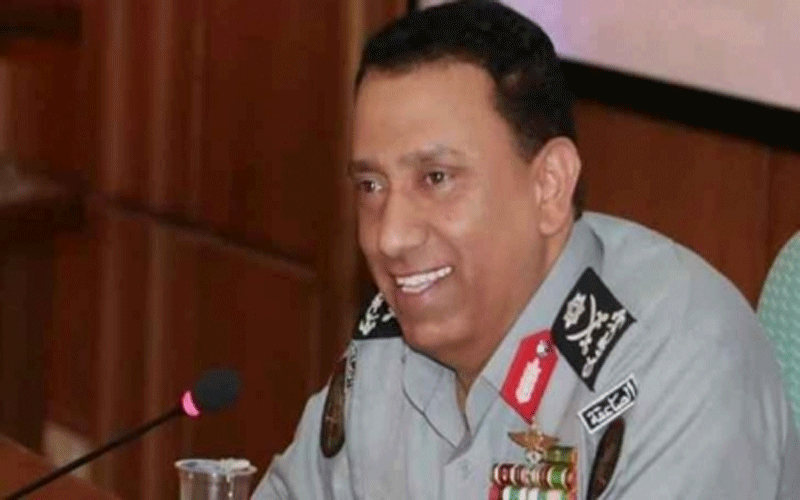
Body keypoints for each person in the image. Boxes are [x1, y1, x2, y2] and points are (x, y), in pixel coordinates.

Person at [251, 1, 800, 498]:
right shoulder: (385, 349)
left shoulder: (679, 366)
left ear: (549, 187)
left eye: (436, 178)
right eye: (371, 186)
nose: (390, 237)